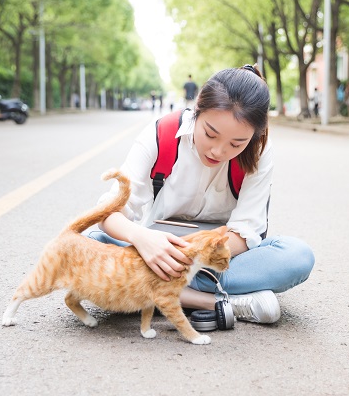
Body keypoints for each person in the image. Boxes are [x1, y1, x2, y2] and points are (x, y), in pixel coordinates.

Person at [86, 65, 315, 325]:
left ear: (254, 135)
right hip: (156, 248)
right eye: (210, 134)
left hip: (216, 257)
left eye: (236, 144)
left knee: (297, 255)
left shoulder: (260, 151)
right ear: (197, 108)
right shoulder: (161, 133)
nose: (218, 151)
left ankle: (154, 291)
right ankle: (217, 302)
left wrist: (185, 257)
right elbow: (107, 213)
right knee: (90, 243)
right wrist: (144, 240)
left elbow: (245, 233)